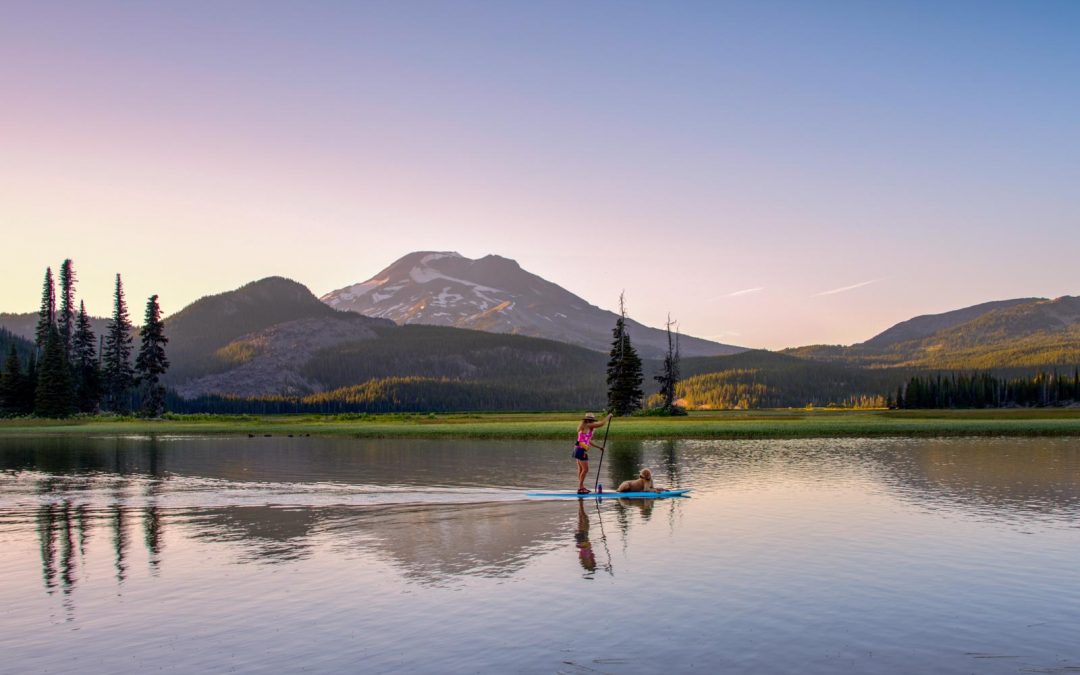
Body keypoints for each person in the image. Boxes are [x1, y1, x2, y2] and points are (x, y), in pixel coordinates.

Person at [573, 412, 612, 494]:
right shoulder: (587, 425)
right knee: (585, 469)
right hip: (580, 450)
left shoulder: (584, 427)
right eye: (590, 420)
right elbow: (601, 424)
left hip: (578, 449)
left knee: (581, 470)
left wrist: (599, 447)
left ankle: (581, 487)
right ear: (587, 420)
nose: (591, 422)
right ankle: (580, 488)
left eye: (591, 420)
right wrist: (609, 416)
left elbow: (588, 441)